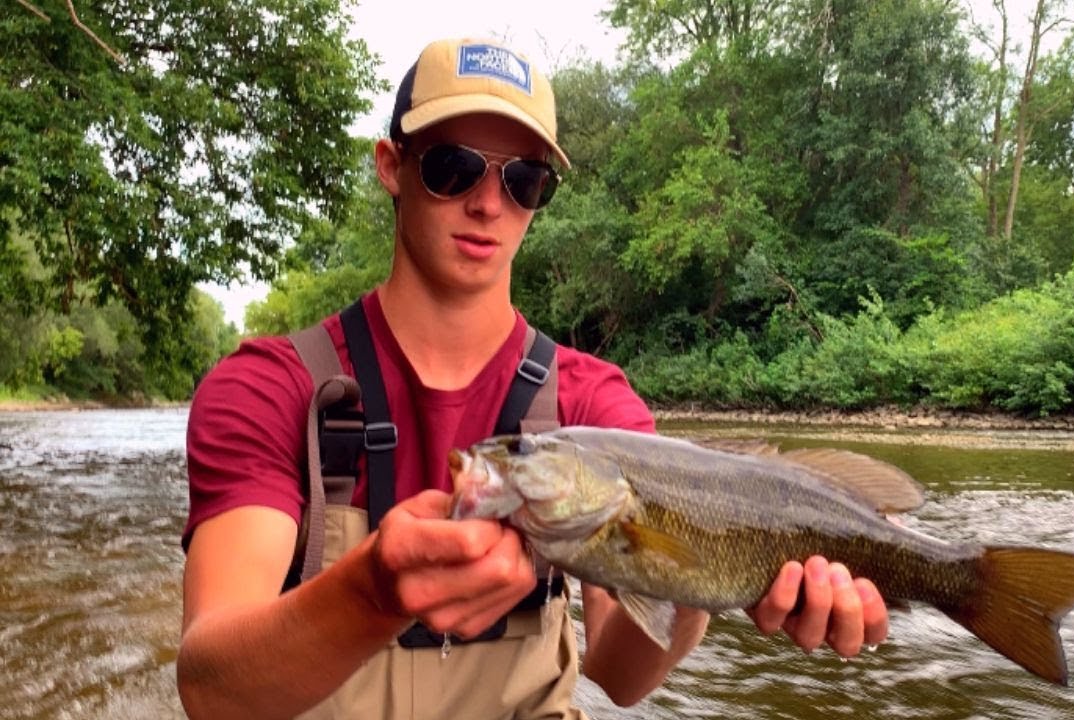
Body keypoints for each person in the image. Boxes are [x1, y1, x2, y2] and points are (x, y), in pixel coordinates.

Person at [176, 37, 889, 720]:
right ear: (392, 166)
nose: (489, 204)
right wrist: (370, 593)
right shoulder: (270, 389)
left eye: (524, 180)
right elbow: (214, 693)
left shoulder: (595, 402)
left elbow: (620, 672)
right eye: (453, 167)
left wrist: (703, 578)